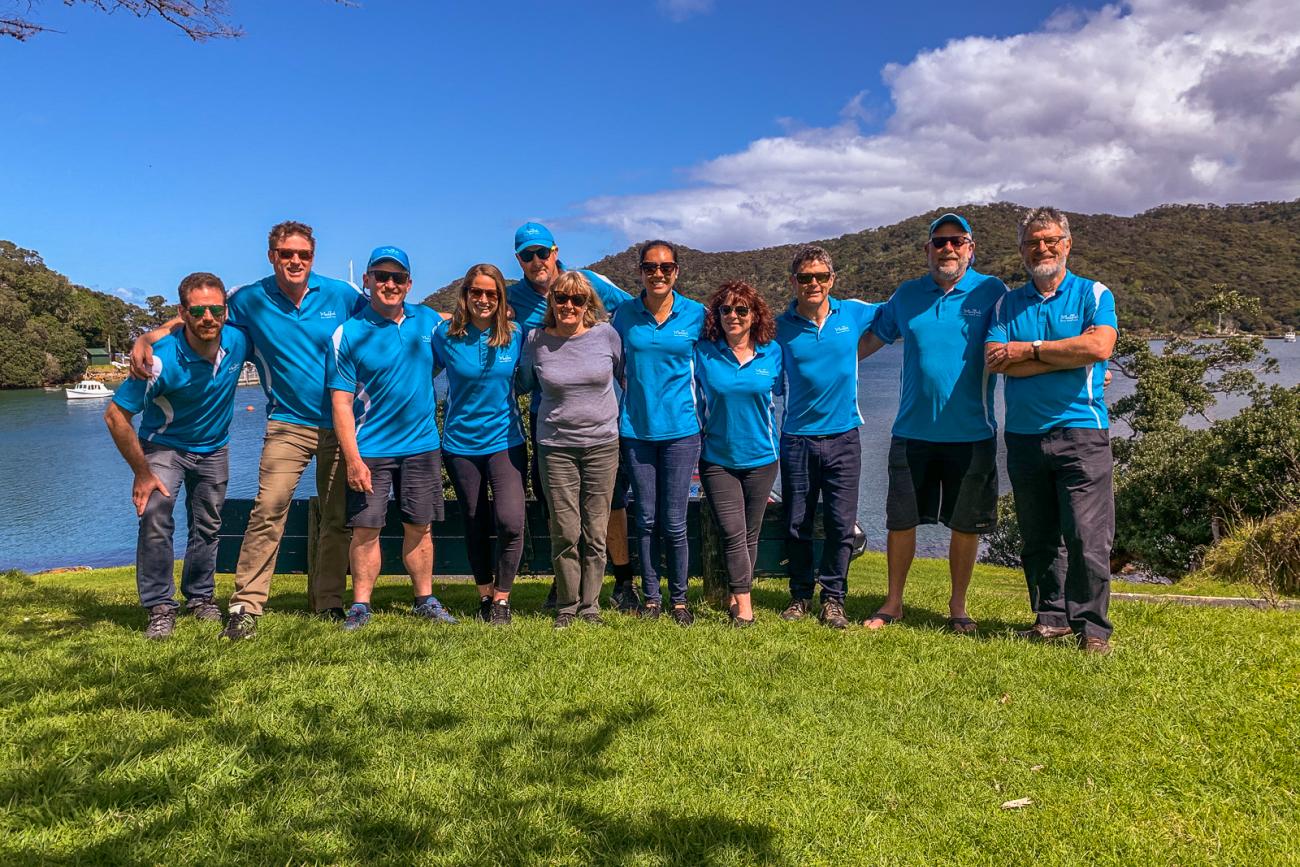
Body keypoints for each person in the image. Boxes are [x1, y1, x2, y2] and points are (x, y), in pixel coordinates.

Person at [130, 221, 366, 641]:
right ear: (271, 255)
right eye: (286, 253)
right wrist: (148, 336)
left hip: (341, 425)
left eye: (303, 254)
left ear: (313, 257)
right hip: (288, 424)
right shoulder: (250, 299)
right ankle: (245, 606)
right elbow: (200, 314)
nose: (295, 261)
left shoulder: (342, 295)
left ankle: (328, 601)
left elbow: (387, 319)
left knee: (335, 518)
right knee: (268, 510)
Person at [856, 213, 1009, 634]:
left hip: (972, 433)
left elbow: (1024, 330)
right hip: (911, 432)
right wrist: (829, 369)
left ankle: (958, 608)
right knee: (901, 521)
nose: (947, 249)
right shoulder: (906, 296)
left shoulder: (992, 291)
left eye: (956, 242)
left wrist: (1090, 368)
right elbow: (872, 338)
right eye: (939, 242)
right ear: (927, 250)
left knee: (964, 524)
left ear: (970, 247)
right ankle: (893, 603)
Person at [986, 206, 1118, 655]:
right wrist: (1066, 357)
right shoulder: (1007, 303)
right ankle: (1051, 619)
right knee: (1038, 534)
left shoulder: (1093, 294)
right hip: (1023, 434)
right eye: (1031, 242)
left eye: (1049, 240)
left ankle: (1093, 628)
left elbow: (1099, 346)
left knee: (1086, 535)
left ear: (1066, 243)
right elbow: (996, 361)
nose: (1041, 248)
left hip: (1081, 431)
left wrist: (1031, 350)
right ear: (1021, 249)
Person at [105, 272, 252, 639]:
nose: (208, 318)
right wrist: (141, 473)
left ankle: (201, 598)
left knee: (208, 525)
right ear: (183, 312)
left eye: (215, 310)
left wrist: (147, 332)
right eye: (198, 310)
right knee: (155, 516)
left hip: (215, 448)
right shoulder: (159, 360)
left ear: (225, 311)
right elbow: (115, 416)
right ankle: (159, 607)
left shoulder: (237, 340)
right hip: (164, 448)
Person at [506, 222, 638, 612]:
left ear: (555, 251)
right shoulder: (513, 298)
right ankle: (565, 589)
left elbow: (634, 310)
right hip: (550, 424)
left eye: (541, 252)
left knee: (609, 506)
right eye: (527, 255)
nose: (536, 261)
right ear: (519, 260)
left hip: (600, 426)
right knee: (558, 513)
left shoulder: (589, 283)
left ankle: (622, 582)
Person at [327, 246, 456, 630]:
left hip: (422, 447)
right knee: (366, 529)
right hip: (371, 450)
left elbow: (463, 327)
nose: (389, 284)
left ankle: (425, 599)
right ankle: (361, 605)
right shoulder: (348, 333)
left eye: (397, 278)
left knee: (421, 526)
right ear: (366, 281)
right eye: (381, 276)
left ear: (409, 284)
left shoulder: (428, 321)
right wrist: (352, 458)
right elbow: (340, 403)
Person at [774, 245, 879, 629]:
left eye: (820, 276)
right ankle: (800, 596)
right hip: (797, 438)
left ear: (832, 280)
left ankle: (833, 598)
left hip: (844, 437)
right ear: (794, 282)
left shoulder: (851, 312)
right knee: (797, 523)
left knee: (840, 523)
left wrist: (859, 352)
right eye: (805, 277)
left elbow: (896, 316)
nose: (813, 283)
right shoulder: (780, 326)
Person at [516, 271, 623, 628]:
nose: (569, 306)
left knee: (595, 530)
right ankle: (566, 604)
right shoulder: (536, 340)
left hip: (602, 445)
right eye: (562, 298)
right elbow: (525, 383)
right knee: (565, 529)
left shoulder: (607, 336)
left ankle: (590, 605)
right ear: (552, 302)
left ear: (587, 304)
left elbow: (622, 374)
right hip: (556, 447)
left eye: (577, 300)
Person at [611, 240, 706, 625]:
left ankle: (679, 600)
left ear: (676, 271)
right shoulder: (623, 316)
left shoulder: (697, 314)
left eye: (666, 267)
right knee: (646, 519)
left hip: (683, 431)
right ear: (641, 272)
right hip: (636, 430)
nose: (658, 274)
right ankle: (651, 597)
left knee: (675, 520)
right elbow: (613, 363)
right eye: (651, 267)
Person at [434, 264, 526, 626]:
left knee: (511, 520)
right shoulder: (445, 336)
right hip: (460, 445)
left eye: (492, 293)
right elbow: (420, 370)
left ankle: (503, 597)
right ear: (466, 295)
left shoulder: (515, 335)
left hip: (507, 441)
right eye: (477, 292)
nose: (484, 299)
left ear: (501, 298)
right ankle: (485, 595)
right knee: (474, 519)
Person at [695, 282, 782, 627]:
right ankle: (745, 609)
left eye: (742, 309)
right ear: (717, 316)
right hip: (718, 458)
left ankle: (736, 595)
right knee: (732, 532)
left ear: (755, 315)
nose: (733, 315)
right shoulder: (703, 353)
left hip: (763, 458)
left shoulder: (772, 352)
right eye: (726, 310)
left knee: (750, 534)